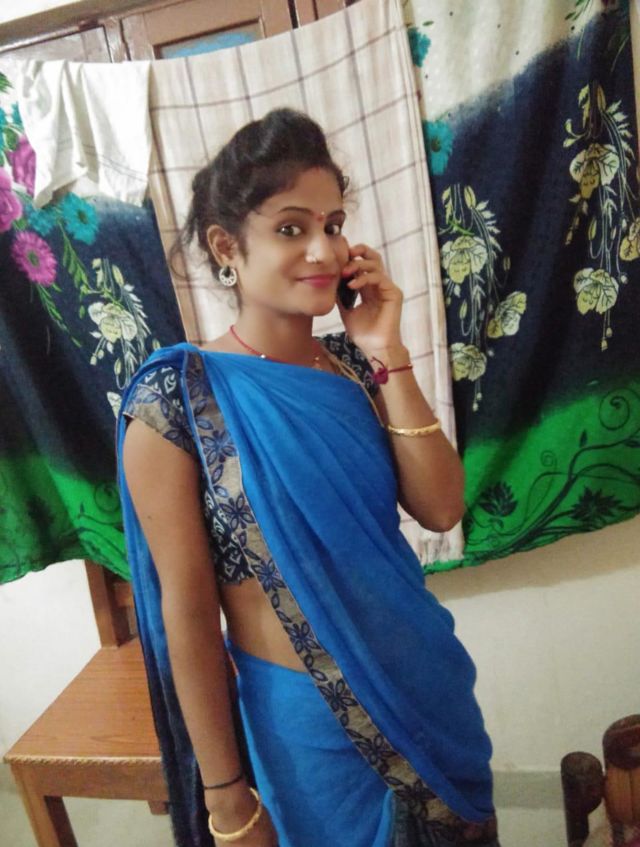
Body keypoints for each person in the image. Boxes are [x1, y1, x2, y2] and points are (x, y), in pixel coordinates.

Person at [117, 108, 500, 847]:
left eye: (334, 224)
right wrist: (228, 799)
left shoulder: (356, 367)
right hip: (314, 734)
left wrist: (387, 348)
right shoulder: (177, 402)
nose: (324, 249)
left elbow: (442, 507)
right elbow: (187, 616)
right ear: (226, 246)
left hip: (432, 693)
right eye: (291, 228)